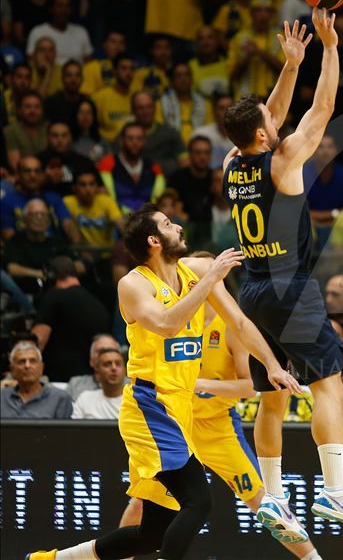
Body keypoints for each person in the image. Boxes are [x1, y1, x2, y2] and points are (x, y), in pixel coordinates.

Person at [25, 204, 300, 560]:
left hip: (181, 410)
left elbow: (239, 323)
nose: (179, 227)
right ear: (154, 241)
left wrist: (272, 365)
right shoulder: (133, 284)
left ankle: (48, 559)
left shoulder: (196, 270)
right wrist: (210, 280)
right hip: (150, 407)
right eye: (169, 225)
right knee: (199, 502)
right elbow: (168, 324)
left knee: (151, 535)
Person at [221, 11, 343, 538]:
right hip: (291, 286)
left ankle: (272, 497)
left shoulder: (231, 163)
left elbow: (267, 115)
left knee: (271, 396)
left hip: (252, 291)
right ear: (263, 133)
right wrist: (330, 46)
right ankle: (335, 491)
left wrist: (291, 66)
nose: (279, 123)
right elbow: (325, 108)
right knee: (328, 385)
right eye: (271, 124)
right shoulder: (285, 159)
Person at [119, 290, 323, 560]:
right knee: (142, 503)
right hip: (176, 425)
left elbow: (249, 387)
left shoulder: (229, 326)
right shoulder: (174, 318)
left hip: (218, 429)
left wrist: (201, 384)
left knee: (265, 503)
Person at [31, 255, 110, 382]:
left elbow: (38, 340)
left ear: (51, 276)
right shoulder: (97, 303)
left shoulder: (54, 297)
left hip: (61, 379)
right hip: (91, 379)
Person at [98, 122, 166, 214]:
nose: (135, 142)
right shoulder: (107, 165)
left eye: (139, 139)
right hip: (116, 217)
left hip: (147, 218)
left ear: (144, 142)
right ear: (121, 141)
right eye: (130, 138)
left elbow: (157, 200)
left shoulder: (154, 168)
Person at [0, 340, 73, 419]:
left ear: (41, 368)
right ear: (12, 369)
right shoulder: (2, 397)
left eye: (33, 361)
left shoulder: (60, 398)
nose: (27, 366)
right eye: (21, 362)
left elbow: (65, 427)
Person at [72, 347, 126, 419]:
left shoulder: (135, 400)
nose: (114, 368)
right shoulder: (85, 399)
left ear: (125, 370)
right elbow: (74, 426)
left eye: (118, 364)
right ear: (97, 371)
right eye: (107, 364)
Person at [67, 334, 123, 401]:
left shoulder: (131, 385)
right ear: (91, 360)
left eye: (112, 351)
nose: (107, 355)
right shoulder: (76, 384)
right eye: (101, 351)